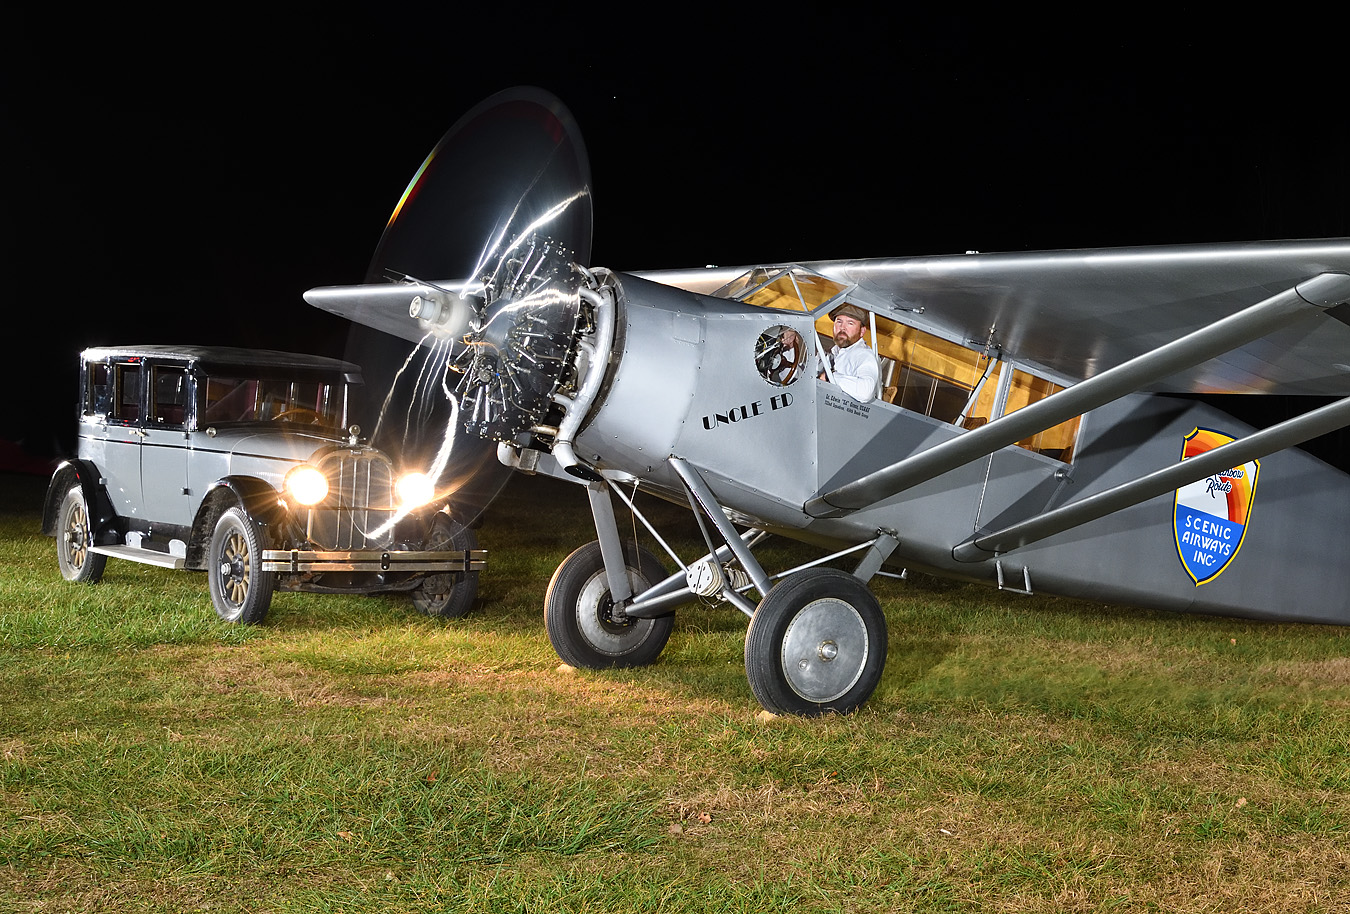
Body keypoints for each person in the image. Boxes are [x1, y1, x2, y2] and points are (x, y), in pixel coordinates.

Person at [819, 303, 878, 402]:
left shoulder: (864, 355)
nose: (842, 328)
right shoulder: (831, 352)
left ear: (862, 331)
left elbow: (865, 393)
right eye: (839, 322)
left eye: (850, 323)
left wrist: (830, 377)